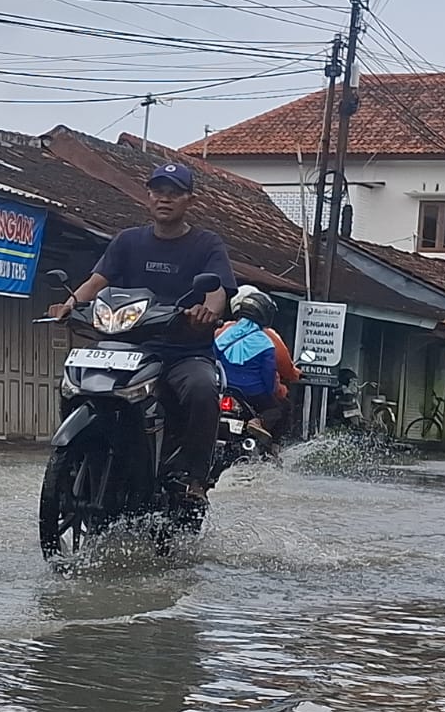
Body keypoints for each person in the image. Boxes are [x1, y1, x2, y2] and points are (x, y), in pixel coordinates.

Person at [47, 161, 235, 502]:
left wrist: (208, 311)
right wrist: (70, 304)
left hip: (182, 351)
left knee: (202, 388)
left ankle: (193, 478)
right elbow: (96, 281)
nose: (165, 199)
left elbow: (218, 289)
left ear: (189, 200)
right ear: (148, 198)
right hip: (125, 348)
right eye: (158, 192)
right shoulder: (127, 242)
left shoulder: (207, 244)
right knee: (73, 380)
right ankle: (76, 461)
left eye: (174, 193)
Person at [216, 285, 299, 436]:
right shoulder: (267, 340)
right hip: (253, 393)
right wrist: (275, 391)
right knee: (281, 408)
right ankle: (266, 436)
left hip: (223, 389)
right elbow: (271, 375)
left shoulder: (222, 332)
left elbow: (211, 360)